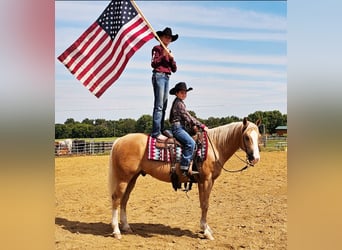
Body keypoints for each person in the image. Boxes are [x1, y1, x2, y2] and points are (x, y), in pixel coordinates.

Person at [169, 82, 208, 176]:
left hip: (181, 127)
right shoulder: (179, 104)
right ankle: (184, 166)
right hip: (178, 128)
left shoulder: (179, 102)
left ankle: (195, 161)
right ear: (177, 93)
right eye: (182, 92)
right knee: (191, 143)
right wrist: (201, 125)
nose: (184, 94)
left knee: (197, 138)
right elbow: (188, 117)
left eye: (185, 93)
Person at [151, 27, 178, 141]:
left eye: (169, 38)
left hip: (167, 77)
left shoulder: (169, 52)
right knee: (159, 105)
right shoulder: (156, 48)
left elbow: (174, 69)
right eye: (166, 37)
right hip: (159, 75)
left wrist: (171, 58)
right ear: (160, 38)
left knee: (164, 105)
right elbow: (154, 63)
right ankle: (156, 132)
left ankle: (161, 129)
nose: (167, 39)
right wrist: (163, 54)